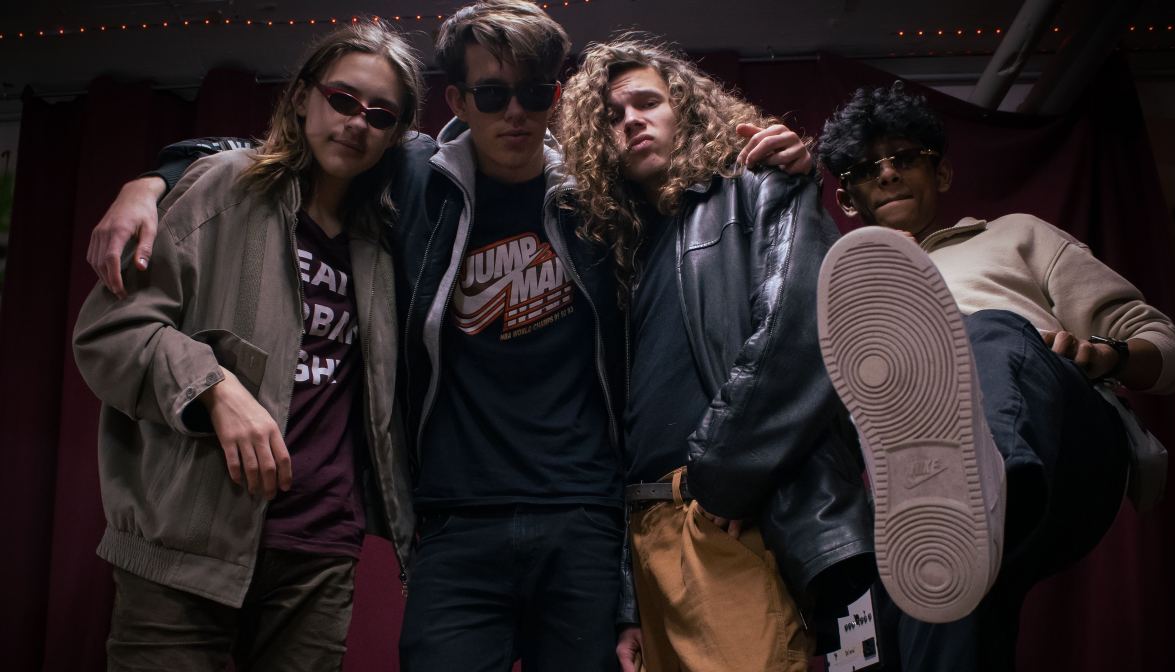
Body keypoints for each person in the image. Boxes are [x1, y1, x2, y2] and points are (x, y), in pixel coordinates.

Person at [84, 5, 807, 668]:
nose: (515, 112)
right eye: (492, 95)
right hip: (456, 520)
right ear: (457, 101)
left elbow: (680, 172)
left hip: (581, 514)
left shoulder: (597, 196)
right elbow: (314, 141)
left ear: (556, 97)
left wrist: (766, 160)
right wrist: (157, 176)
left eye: (534, 94)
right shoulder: (414, 179)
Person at [72, 21, 426, 671]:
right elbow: (108, 334)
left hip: (319, 557)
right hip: (186, 547)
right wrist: (213, 386)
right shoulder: (225, 185)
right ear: (303, 97)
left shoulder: (383, 240)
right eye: (342, 99)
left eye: (380, 115)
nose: (356, 122)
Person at [814, 82, 1175, 671]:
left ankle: (983, 490)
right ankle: (953, 523)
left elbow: (1169, 349)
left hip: (1064, 453)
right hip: (917, 503)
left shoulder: (1016, 235)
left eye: (905, 157)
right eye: (867, 169)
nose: (887, 174)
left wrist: (1105, 354)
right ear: (847, 198)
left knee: (987, 330)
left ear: (941, 173)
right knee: (932, 609)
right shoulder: (842, 296)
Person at [555, 35, 876, 672]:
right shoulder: (621, 253)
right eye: (612, 116)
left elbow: (801, 336)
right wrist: (628, 602)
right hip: (647, 531)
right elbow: (626, 431)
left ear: (686, 108)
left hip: (722, 517)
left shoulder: (758, 184)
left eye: (647, 102)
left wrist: (722, 482)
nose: (631, 121)